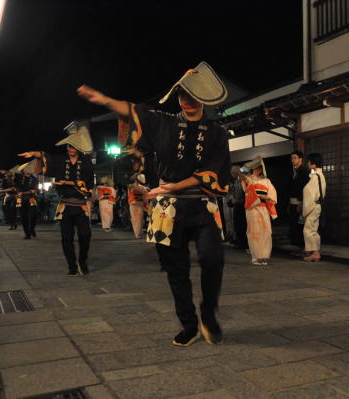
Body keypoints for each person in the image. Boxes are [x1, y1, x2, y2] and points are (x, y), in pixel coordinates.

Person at [77, 61, 230, 347]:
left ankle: (208, 313)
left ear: (206, 99)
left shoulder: (217, 132)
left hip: (201, 205)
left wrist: (175, 185)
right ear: (178, 97)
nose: (188, 102)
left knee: (213, 258)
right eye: (183, 96)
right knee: (176, 269)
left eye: (195, 97)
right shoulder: (164, 122)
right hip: (167, 209)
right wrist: (103, 100)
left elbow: (213, 172)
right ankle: (189, 323)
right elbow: (135, 110)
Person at [18, 126, 95, 276]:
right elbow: (47, 157)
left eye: (73, 146)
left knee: (85, 235)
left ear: (79, 148)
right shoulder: (61, 160)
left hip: (81, 206)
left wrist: (68, 183)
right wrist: (35, 154)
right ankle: (72, 265)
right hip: (65, 205)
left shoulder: (86, 163)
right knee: (66, 237)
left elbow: (87, 184)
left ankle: (82, 260)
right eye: (69, 146)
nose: (71, 149)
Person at [240, 157, 277, 266]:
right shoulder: (248, 179)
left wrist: (263, 197)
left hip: (263, 208)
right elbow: (240, 174)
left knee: (266, 232)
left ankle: (264, 256)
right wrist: (248, 165)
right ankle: (255, 257)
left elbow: (272, 195)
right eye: (255, 167)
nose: (257, 169)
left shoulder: (267, 181)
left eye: (259, 168)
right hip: (252, 209)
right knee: (254, 232)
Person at [302, 153, 326, 262]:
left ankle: (315, 253)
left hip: (313, 205)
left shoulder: (316, 177)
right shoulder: (320, 175)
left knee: (309, 229)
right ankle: (314, 251)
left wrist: (304, 208)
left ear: (313, 163)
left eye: (309, 161)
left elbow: (308, 192)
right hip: (318, 205)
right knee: (314, 229)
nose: (307, 163)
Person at [288, 151, 309, 254]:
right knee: (295, 225)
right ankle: (299, 247)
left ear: (300, 159)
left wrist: (301, 202)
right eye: (292, 158)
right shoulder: (293, 170)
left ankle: (304, 247)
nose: (293, 160)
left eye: (295, 158)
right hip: (293, 201)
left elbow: (304, 188)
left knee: (301, 224)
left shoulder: (304, 171)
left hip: (301, 201)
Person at [227, 165, 247, 249]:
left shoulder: (240, 182)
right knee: (239, 225)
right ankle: (240, 241)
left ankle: (242, 242)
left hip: (241, 206)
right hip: (239, 206)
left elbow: (240, 196)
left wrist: (233, 201)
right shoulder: (237, 181)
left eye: (232, 173)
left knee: (241, 225)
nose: (231, 174)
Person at [17, 167, 39, 239]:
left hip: (31, 199)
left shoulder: (35, 179)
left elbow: (35, 190)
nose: (27, 171)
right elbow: (16, 187)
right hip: (22, 199)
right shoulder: (20, 179)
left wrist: (23, 192)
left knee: (33, 216)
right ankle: (27, 234)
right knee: (24, 217)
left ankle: (32, 228)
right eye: (25, 169)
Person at [128, 173, 148, 239]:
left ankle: (138, 232)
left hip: (137, 203)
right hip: (135, 203)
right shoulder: (132, 186)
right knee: (135, 219)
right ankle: (137, 232)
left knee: (139, 219)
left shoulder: (141, 187)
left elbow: (145, 196)